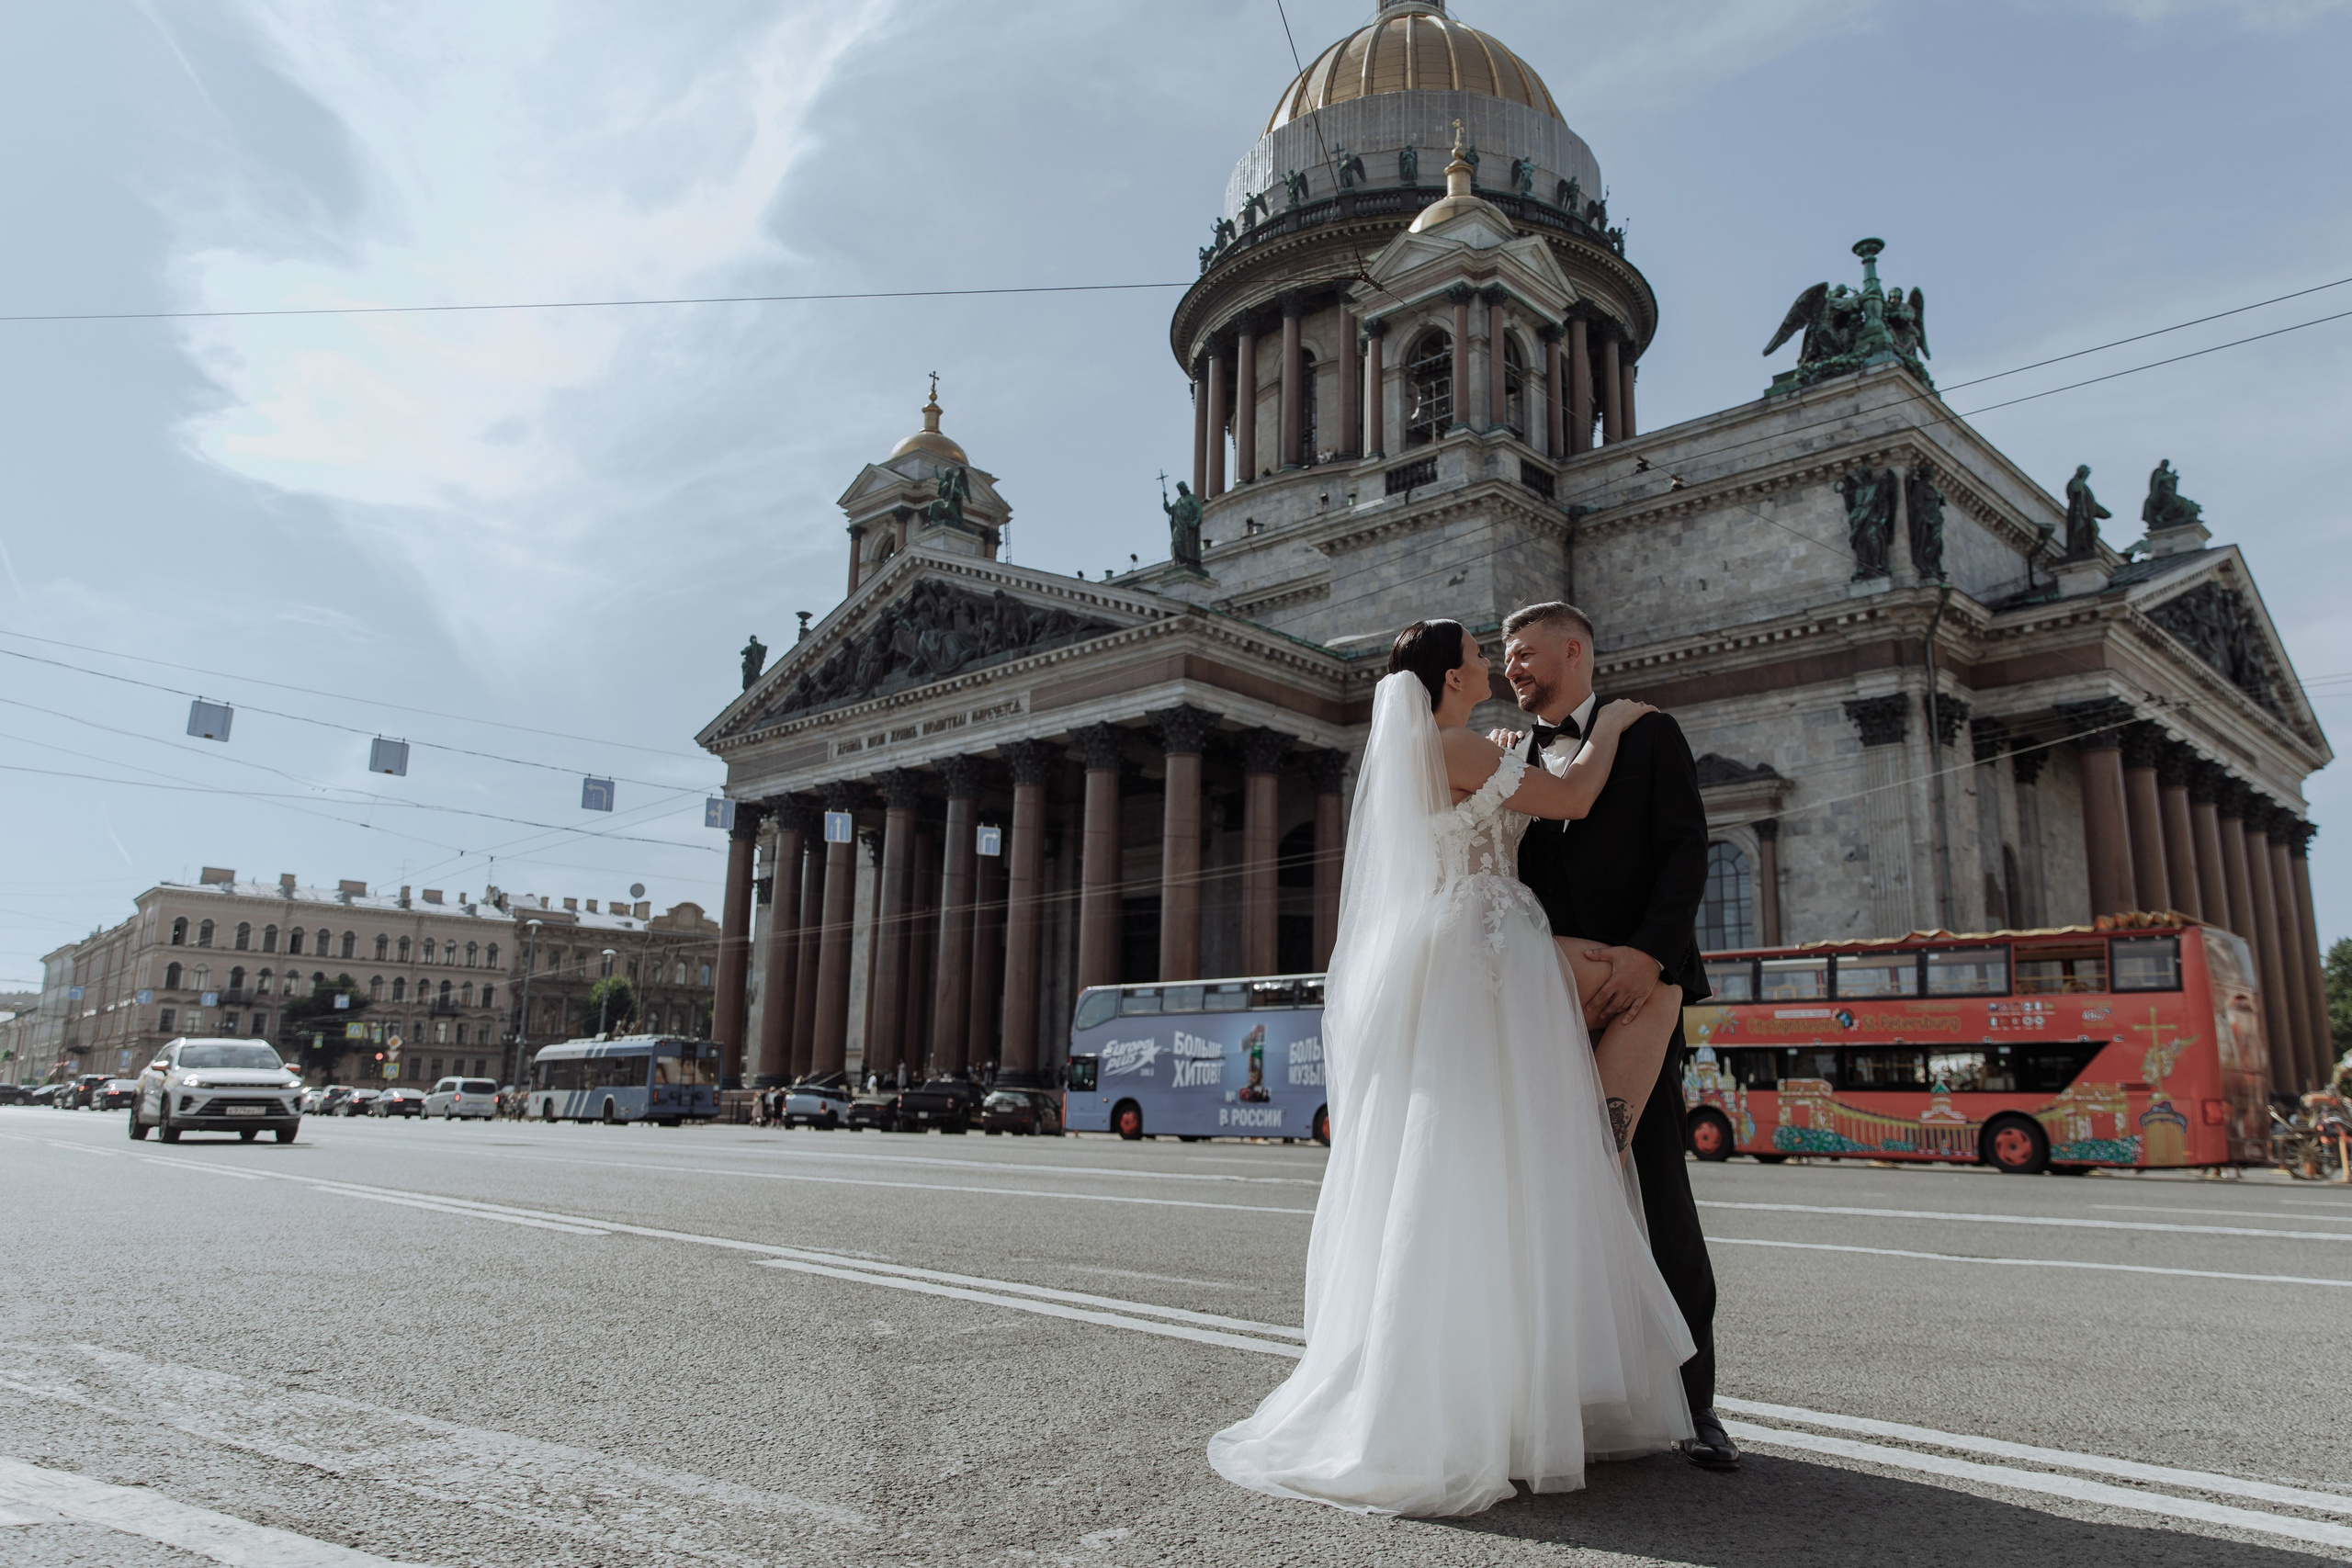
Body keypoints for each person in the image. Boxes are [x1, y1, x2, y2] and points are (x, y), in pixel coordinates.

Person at [1208, 620, 1695, 1517]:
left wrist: (1504, 753)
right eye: (1477, 654)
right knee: (1579, 1074)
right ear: (1450, 676)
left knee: (1463, 1164)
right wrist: (1617, 724)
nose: (1490, 663)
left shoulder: (1429, 750)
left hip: (1455, 948)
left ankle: (1476, 1380)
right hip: (1493, 942)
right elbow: (1573, 795)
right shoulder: (1457, 746)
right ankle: (1596, 1164)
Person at [1498, 601, 1736, 1472]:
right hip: (1542, 999)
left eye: (1523, 653)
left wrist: (1649, 955)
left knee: (1661, 1193)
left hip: (1640, 995)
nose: (1511, 668)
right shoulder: (1506, 754)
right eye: (1502, 656)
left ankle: (1697, 1403)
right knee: (1547, 1193)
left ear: (1573, 650)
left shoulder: (1651, 734)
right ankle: (1557, 1395)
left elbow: (1685, 851)